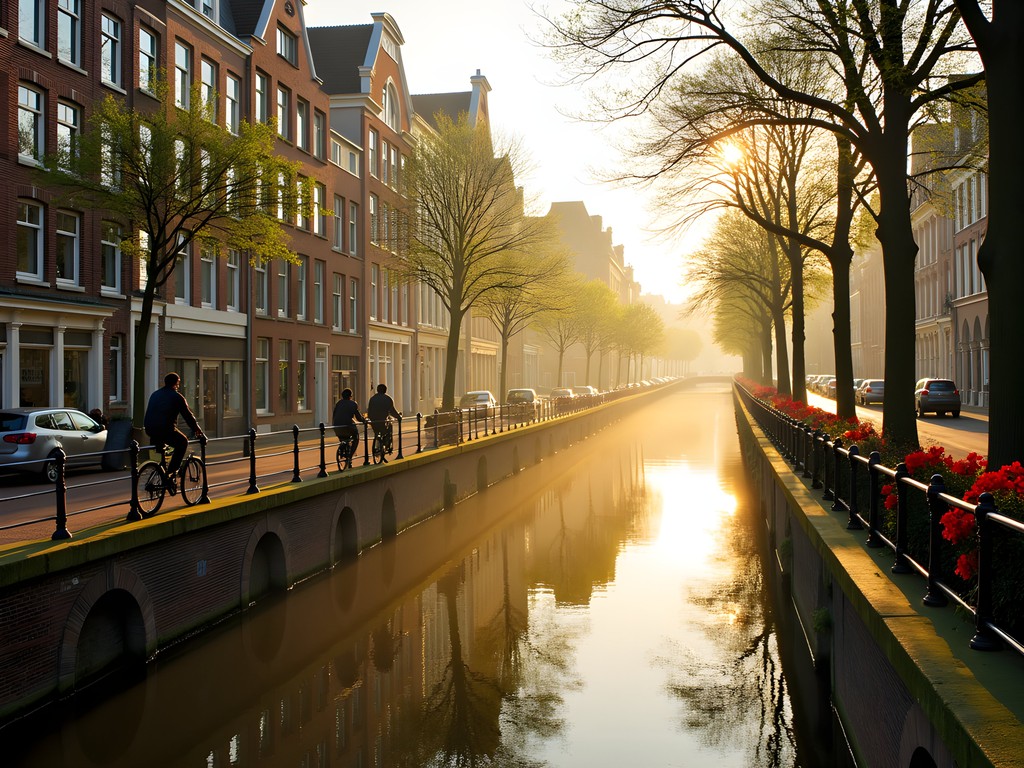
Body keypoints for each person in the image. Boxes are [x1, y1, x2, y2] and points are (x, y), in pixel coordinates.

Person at [144, 373, 203, 493]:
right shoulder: (177, 397)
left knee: (167, 445)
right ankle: (170, 473)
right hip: (165, 429)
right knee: (182, 442)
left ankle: (163, 472)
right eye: (178, 383)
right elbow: (188, 416)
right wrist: (198, 430)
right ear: (176, 383)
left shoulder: (155, 394)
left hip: (150, 429)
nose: (178, 386)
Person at [332, 388, 366, 467]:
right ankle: (350, 457)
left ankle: (342, 449)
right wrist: (364, 421)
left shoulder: (338, 403)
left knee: (343, 439)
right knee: (356, 437)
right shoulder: (353, 404)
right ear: (351, 396)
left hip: (337, 427)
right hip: (348, 427)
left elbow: (334, 415)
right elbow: (358, 418)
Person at [367, 383, 401, 461]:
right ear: (385, 390)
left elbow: (369, 411)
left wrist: (370, 420)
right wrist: (398, 417)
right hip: (383, 421)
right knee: (388, 430)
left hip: (374, 422)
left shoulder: (372, 399)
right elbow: (392, 411)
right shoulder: (388, 399)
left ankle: (377, 444)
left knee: (377, 432)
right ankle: (387, 444)